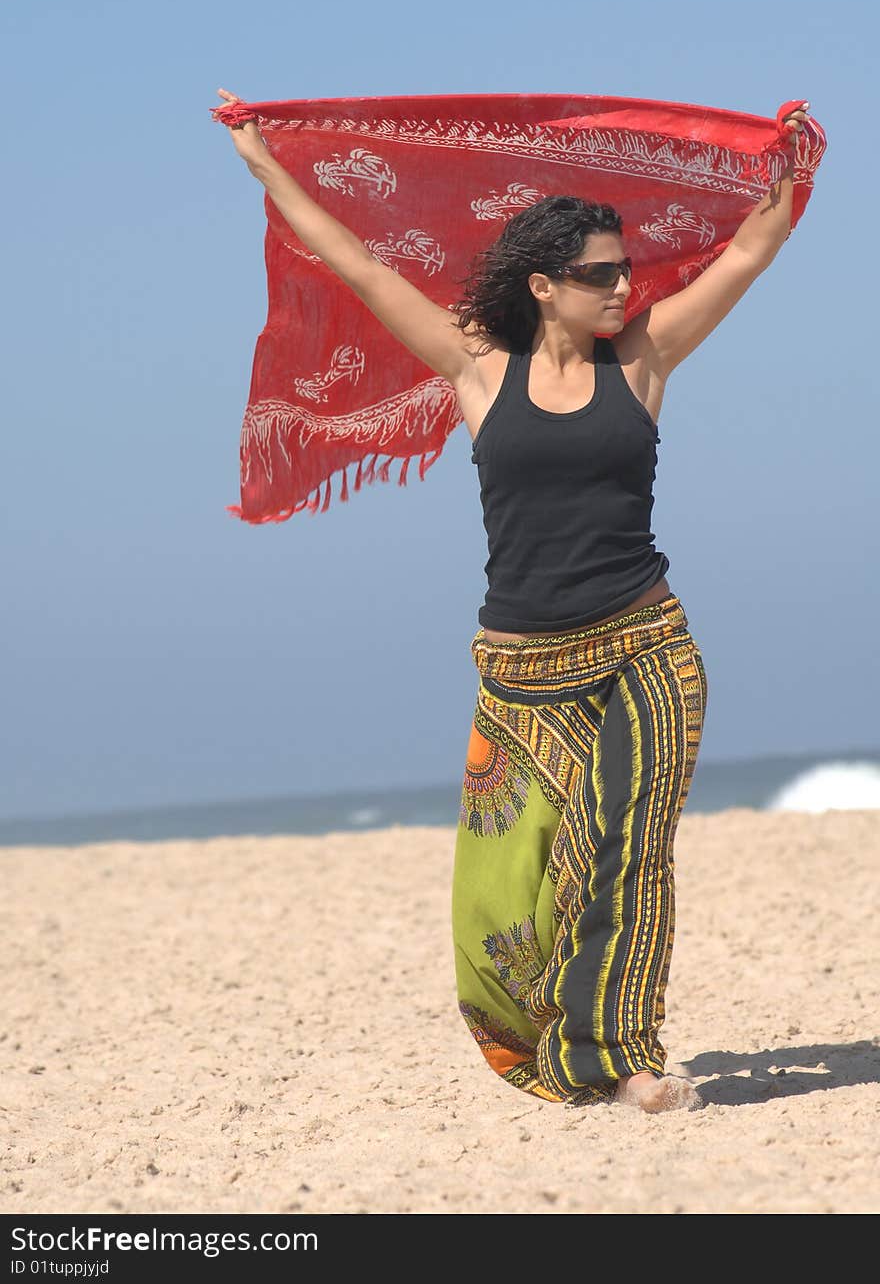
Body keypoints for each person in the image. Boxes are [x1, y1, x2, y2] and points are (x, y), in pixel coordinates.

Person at [215, 87, 810, 1114]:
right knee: (507, 892)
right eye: (597, 274)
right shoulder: (477, 366)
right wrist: (267, 163)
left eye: (624, 268)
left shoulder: (647, 357)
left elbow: (748, 256)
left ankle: (621, 1055)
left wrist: (790, 169)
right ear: (543, 286)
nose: (621, 285)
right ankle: (551, 1036)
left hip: (645, 644)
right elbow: (359, 264)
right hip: (524, 669)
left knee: (628, 852)